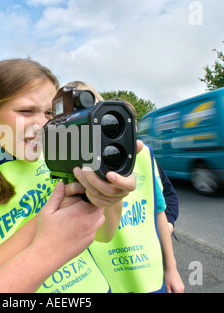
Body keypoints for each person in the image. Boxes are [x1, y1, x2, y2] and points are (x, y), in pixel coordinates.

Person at [0, 59, 139, 292]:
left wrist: (109, 197)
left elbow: (104, 234)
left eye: (49, 112)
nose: (41, 125)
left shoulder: (60, 150)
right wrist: (45, 228)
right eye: (26, 111)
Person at [64, 81, 184, 292]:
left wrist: (171, 268)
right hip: (108, 280)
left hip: (151, 276)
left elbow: (159, 211)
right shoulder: (68, 167)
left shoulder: (144, 154)